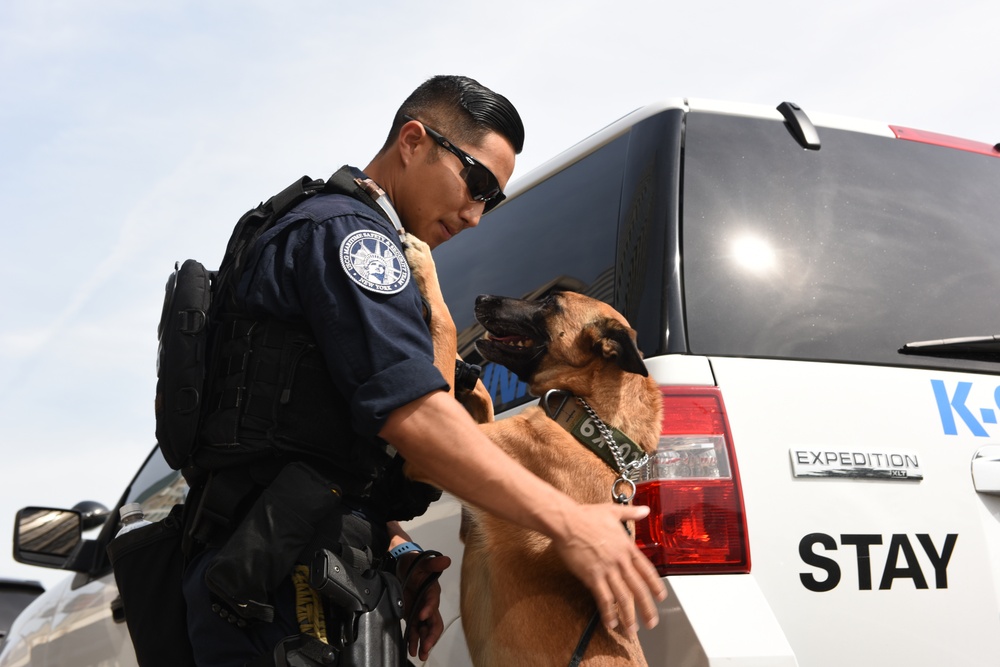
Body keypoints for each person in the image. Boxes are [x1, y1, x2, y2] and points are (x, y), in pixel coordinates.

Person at [181, 74, 667, 667]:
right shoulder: (351, 237)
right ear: (413, 141)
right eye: (478, 182)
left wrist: (396, 548)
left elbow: (320, 444)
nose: (477, 214)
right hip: (276, 578)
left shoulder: (341, 232)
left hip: (298, 563)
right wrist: (571, 520)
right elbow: (414, 417)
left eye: (493, 199)